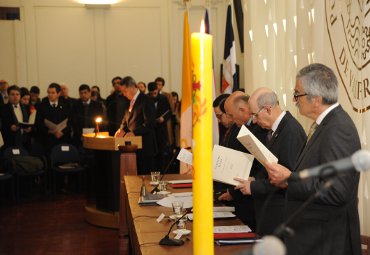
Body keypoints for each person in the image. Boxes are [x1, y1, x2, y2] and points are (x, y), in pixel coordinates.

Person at [265, 63, 361, 255]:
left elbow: (336, 191)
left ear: (316, 99)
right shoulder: (326, 124)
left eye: (297, 94)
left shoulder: (338, 128)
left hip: (326, 242)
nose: (294, 100)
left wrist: (289, 180)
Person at [233, 87, 306, 236]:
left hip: (281, 215)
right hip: (270, 213)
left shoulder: (291, 131)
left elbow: (287, 178)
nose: (253, 120)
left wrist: (254, 186)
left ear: (267, 109)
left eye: (254, 114)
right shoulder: (276, 129)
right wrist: (255, 178)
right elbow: (271, 166)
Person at [115, 76, 157, 175]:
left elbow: (150, 123)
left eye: (125, 91)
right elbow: (126, 119)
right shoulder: (129, 102)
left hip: (145, 146)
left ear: (132, 87)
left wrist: (134, 133)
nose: (124, 94)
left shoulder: (146, 100)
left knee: (145, 177)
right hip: (133, 147)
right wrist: (121, 129)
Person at [35, 83, 71, 152]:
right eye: (48, 92)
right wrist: (50, 131)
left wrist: (62, 132)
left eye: (53, 93)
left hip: (63, 137)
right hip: (47, 139)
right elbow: (39, 122)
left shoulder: (66, 104)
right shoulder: (41, 106)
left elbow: (70, 121)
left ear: (58, 93)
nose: (50, 95)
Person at [147, 82, 171, 171]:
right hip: (151, 130)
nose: (153, 95)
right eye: (151, 93)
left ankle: (161, 172)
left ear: (157, 90)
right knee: (152, 153)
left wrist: (164, 118)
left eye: (155, 92)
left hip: (161, 130)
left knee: (161, 153)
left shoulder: (163, 98)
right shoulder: (146, 99)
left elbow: (169, 112)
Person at [0, 85, 32, 149]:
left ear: (20, 96)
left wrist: (30, 129)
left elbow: (31, 122)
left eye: (17, 94)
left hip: (25, 142)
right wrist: (10, 127)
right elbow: (2, 124)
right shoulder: (3, 108)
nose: (15, 96)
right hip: (9, 141)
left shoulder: (27, 108)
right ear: (8, 96)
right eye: (12, 94)